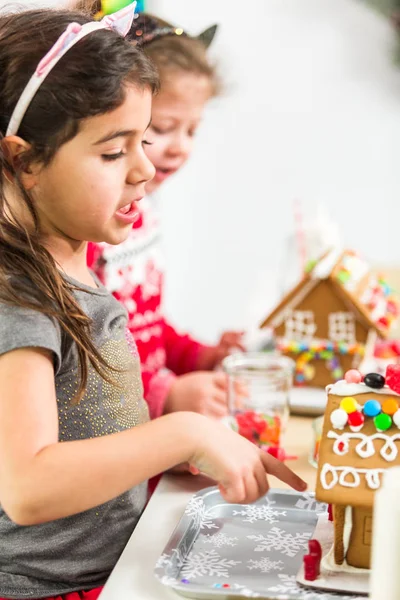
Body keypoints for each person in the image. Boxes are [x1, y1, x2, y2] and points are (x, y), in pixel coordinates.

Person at [0, 5, 306, 600]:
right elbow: (28, 484)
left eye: (143, 141)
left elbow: (88, 425)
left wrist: (174, 443)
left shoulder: (74, 265)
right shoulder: (21, 295)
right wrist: (181, 433)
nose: (144, 170)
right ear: (24, 161)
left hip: (114, 569)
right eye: (114, 153)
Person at [77, 1, 245, 421]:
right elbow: (81, 358)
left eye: (192, 130)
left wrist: (198, 356)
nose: (181, 147)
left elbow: (143, 330)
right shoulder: (88, 226)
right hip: (116, 446)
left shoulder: (143, 210)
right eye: (163, 128)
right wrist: (162, 393)